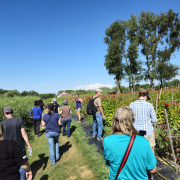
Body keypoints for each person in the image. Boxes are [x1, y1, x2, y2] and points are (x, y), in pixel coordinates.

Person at [103, 106, 157, 180]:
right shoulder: (143, 141)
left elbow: (109, 162)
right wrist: (146, 143)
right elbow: (152, 169)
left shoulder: (107, 140)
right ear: (131, 121)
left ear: (115, 121)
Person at [1, 106, 33, 180]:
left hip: (7, 149)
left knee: (11, 165)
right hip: (20, 146)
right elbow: (24, 134)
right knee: (22, 162)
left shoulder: (2, 124)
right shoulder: (19, 121)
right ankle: (22, 178)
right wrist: (28, 145)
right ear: (12, 112)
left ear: (4, 113)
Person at [129, 88, 157, 153]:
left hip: (135, 132)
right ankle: (150, 162)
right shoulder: (149, 105)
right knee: (150, 148)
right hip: (148, 131)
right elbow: (154, 120)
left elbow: (129, 118)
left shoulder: (131, 105)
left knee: (136, 148)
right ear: (145, 96)